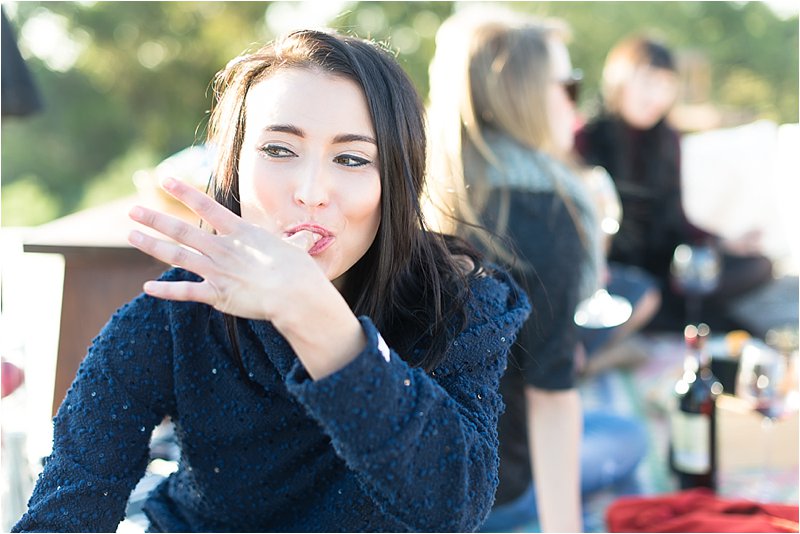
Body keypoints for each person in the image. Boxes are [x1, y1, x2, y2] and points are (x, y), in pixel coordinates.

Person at [12, 29, 531, 533]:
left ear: (396, 180)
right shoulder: (174, 314)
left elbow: (454, 505)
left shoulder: (460, 302)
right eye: (280, 150)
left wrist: (314, 317)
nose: (310, 191)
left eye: (351, 158)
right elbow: (65, 510)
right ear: (232, 165)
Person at [426, 11, 646, 532]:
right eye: (567, 84)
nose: (575, 99)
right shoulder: (549, 207)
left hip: (410, 469)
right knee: (628, 436)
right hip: (491, 489)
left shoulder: (423, 189)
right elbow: (551, 393)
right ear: (520, 94)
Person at [575, 35, 773, 332]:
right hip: (609, 270)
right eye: (648, 82)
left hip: (664, 264)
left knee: (758, 265)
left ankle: (664, 316)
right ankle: (661, 314)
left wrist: (722, 242)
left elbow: (675, 219)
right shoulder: (587, 136)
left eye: (666, 86)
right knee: (648, 293)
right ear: (619, 80)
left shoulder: (668, 140)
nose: (656, 97)